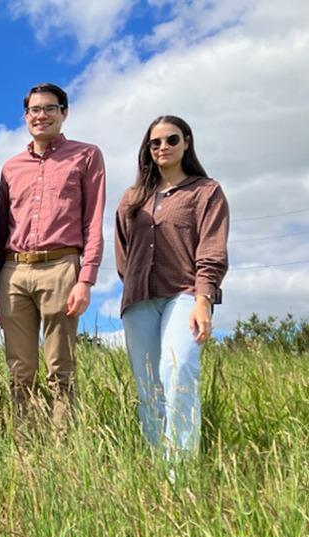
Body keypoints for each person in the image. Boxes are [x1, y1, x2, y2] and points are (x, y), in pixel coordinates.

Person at [115, 116, 229, 455]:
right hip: (138, 301)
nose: (163, 147)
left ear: (187, 142)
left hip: (184, 295)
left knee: (179, 370)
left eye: (171, 140)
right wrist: (133, 282)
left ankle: (180, 471)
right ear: (147, 150)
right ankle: (157, 469)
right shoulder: (132, 198)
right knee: (148, 386)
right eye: (155, 143)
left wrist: (203, 299)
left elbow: (212, 247)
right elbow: (123, 252)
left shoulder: (206, 191)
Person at [0, 83, 105, 429]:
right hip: (13, 271)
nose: (40, 116)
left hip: (61, 266)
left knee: (61, 367)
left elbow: (94, 220)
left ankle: (62, 451)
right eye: (33, 110)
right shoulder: (11, 167)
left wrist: (85, 279)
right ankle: (24, 449)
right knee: (19, 369)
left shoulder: (86, 156)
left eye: (49, 109)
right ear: (26, 116)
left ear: (64, 113)